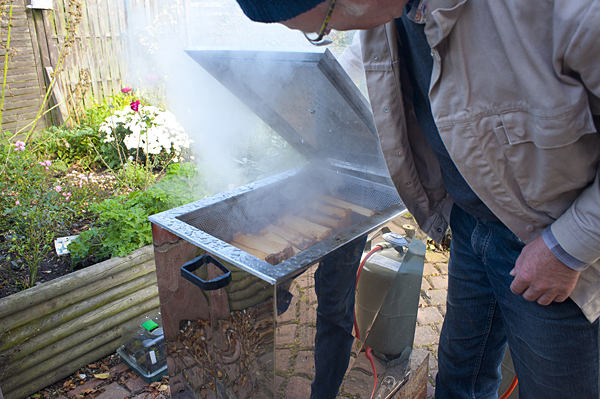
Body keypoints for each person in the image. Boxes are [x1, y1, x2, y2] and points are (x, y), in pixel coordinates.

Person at [233, 0, 600, 398]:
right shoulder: (387, 14)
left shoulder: (561, 10)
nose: (330, 35)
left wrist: (569, 247)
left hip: (554, 249)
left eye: (320, 27)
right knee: (460, 377)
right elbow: (355, 71)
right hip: (470, 220)